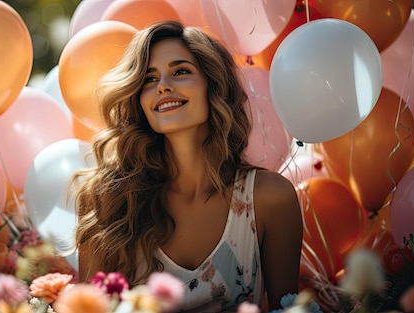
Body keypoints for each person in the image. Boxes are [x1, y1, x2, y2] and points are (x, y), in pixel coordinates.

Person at [72, 20, 303, 312]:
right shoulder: (107, 201)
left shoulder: (270, 199)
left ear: (213, 86)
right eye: (148, 79)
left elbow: (289, 307)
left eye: (180, 71)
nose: (163, 86)